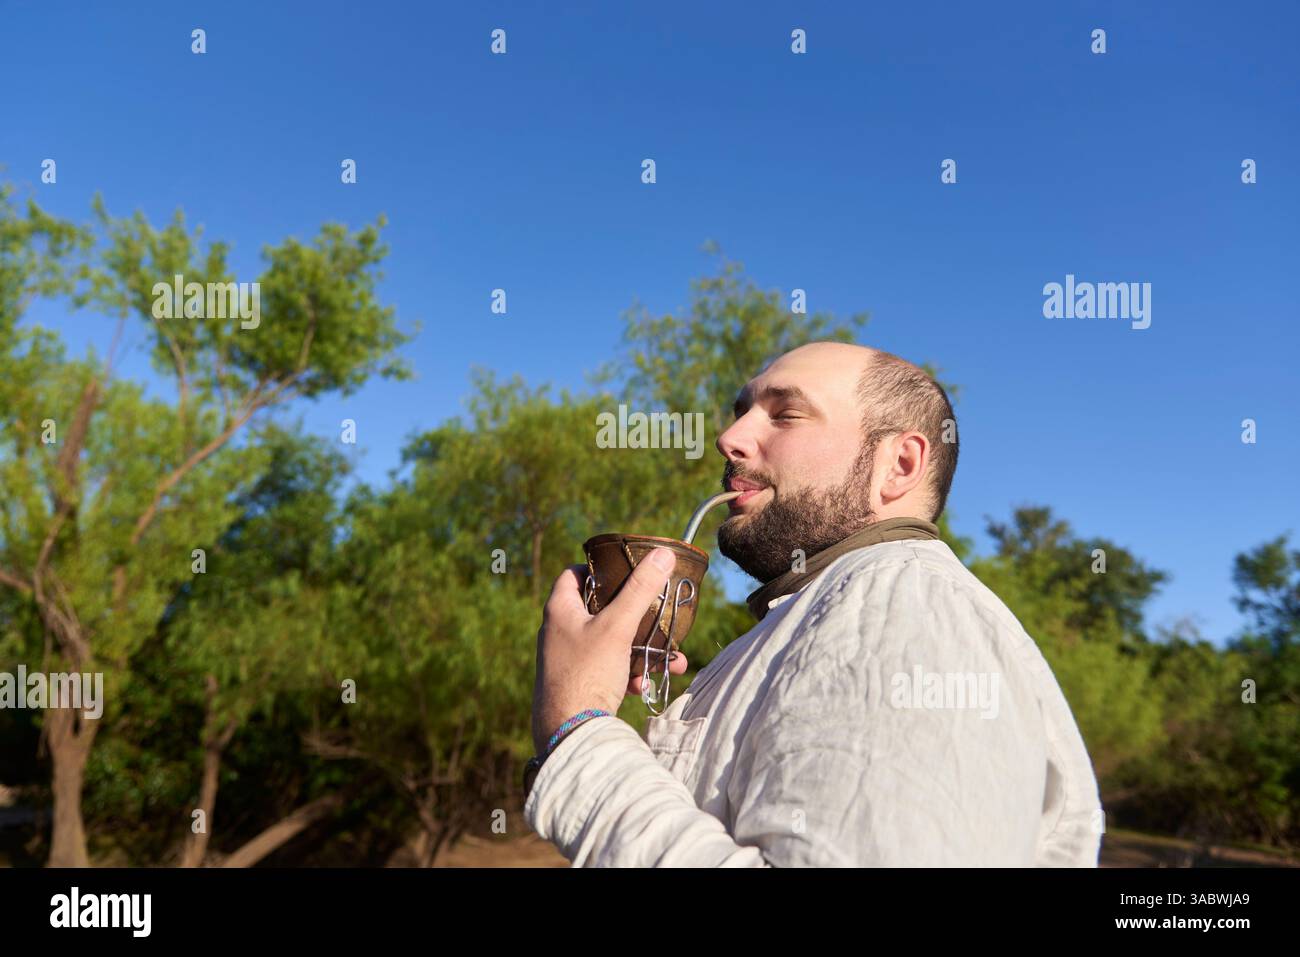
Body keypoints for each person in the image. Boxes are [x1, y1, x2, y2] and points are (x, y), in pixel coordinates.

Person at [524, 341, 1103, 866]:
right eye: (742, 412)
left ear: (898, 465)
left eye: (786, 414)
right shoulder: (825, 612)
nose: (730, 439)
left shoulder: (901, 611)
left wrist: (579, 728)